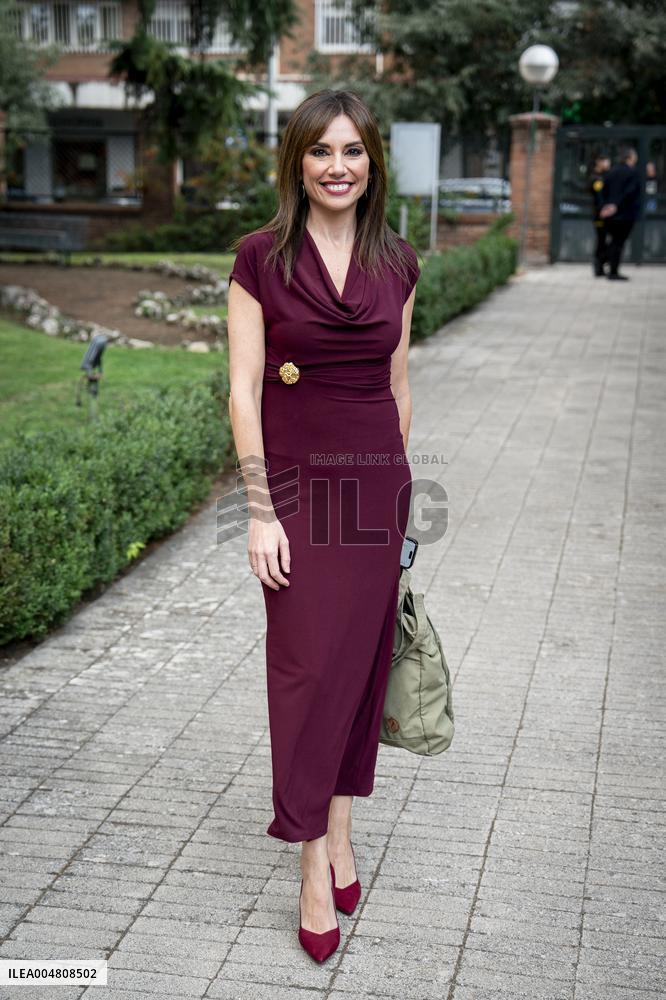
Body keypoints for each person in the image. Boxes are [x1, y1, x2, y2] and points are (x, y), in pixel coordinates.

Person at [226, 89, 420, 963]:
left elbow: (400, 385)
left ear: (372, 161)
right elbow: (242, 391)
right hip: (299, 492)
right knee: (307, 673)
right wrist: (261, 511)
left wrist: (400, 502)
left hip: (376, 486)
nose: (338, 165)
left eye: (353, 150)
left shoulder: (399, 262)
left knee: (357, 668)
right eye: (321, 151)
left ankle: (341, 833)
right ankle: (311, 863)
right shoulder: (258, 259)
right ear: (296, 162)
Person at [600, 146, 641, 280]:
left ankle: (607, 266)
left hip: (609, 215)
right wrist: (615, 206)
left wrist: (605, 207)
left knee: (613, 242)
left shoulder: (611, 172)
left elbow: (603, 191)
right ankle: (613, 271)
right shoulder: (633, 173)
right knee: (618, 243)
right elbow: (629, 193)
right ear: (630, 157)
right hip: (624, 214)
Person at [589, 152, 611, 276]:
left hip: (603, 213)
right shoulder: (596, 178)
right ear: (599, 162)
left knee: (603, 240)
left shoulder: (604, 176)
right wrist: (603, 209)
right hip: (599, 214)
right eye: (606, 161)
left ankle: (601, 266)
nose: (608, 164)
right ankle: (598, 267)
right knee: (601, 240)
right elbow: (599, 197)